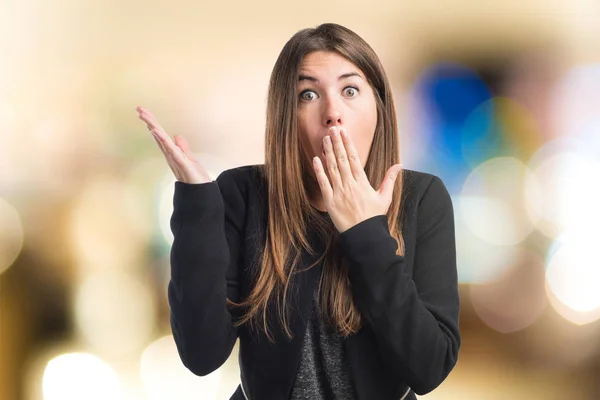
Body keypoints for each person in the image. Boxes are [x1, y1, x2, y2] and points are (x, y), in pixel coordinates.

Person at [137, 23, 460, 400]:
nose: (332, 113)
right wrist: (196, 203)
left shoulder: (422, 199)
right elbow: (201, 355)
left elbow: (430, 367)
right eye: (308, 94)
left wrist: (366, 231)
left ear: (380, 107)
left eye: (350, 90)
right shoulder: (243, 194)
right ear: (284, 116)